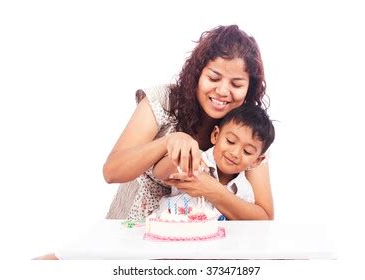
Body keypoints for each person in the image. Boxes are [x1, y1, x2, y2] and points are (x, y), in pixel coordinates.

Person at [34, 24, 272, 259]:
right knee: (52, 264)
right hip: (128, 239)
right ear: (198, 73)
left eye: (236, 84)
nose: (222, 91)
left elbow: (264, 217)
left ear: (249, 88)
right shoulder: (163, 101)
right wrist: (170, 141)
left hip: (199, 253)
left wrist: (214, 191)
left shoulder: (248, 130)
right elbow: (112, 171)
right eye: (214, 77)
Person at [153, 103, 275, 220]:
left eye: (247, 151)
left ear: (257, 161)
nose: (235, 153)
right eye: (230, 141)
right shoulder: (196, 158)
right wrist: (181, 157)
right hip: (167, 232)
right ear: (215, 135)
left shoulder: (245, 191)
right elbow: (159, 172)